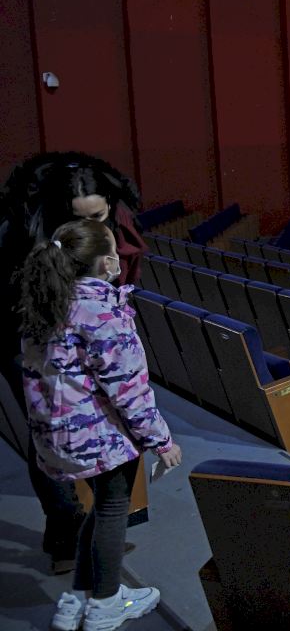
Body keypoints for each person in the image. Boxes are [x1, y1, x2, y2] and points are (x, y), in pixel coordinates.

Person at [18, 219, 179, 631]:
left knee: (100, 507)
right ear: (106, 262)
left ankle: (79, 596)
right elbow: (129, 390)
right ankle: (106, 604)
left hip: (57, 437)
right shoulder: (100, 312)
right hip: (98, 435)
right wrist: (162, 442)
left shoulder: (46, 304)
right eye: (115, 251)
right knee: (112, 510)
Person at [0, 153, 146, 576]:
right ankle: (67, 535)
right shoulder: (27, 234)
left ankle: (87, 539)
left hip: (73, 330)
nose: (93, 227)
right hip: (26, 335)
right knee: (48, 427)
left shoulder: (119, 224)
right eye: (79, 219)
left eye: (98, 217)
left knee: (87, 423)